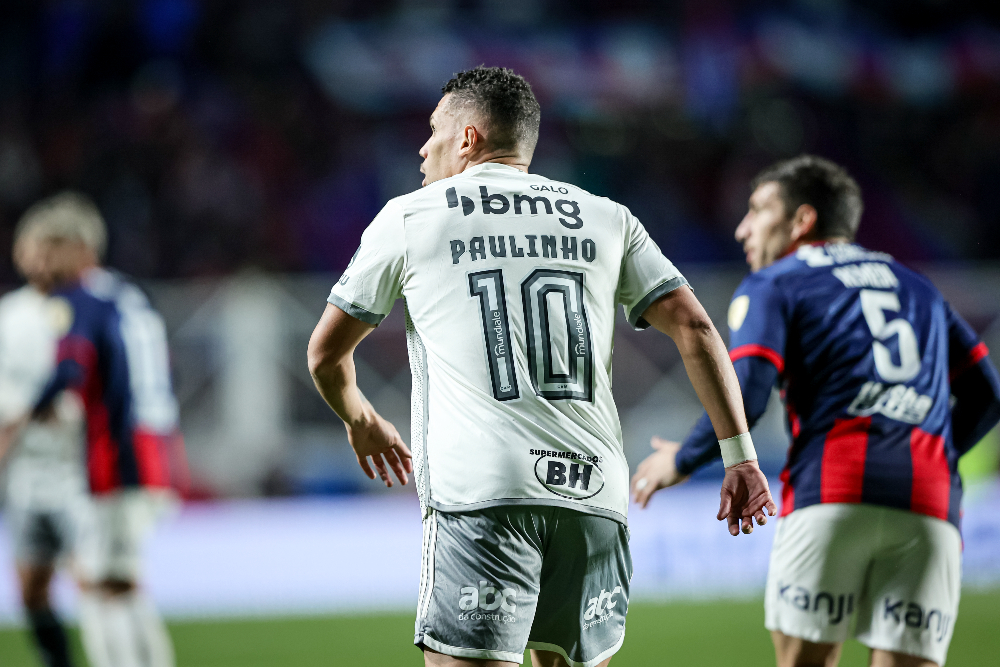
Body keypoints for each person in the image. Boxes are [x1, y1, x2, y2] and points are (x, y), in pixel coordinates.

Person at [307, 65, 776, 667]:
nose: (424, 148)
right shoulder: (607, 217)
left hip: (484, 493)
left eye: (433, 131)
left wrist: (359, 418)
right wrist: (739, 457)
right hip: (594, 496)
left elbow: (325, 353)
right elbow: (696, 327)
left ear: (469, 138)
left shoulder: (412, 215)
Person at [630, 155, 1000, 667]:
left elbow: (749, 389)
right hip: (929, 503)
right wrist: (927, 455)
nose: (742, 229)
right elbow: (988, 395)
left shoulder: (778, 282)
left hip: (833, 493)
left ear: (802, 221)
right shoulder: (918, 288)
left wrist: (683, 461)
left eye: (758, 210)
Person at [1, 192, 184, 667]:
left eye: (49, 250)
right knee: (116, 582)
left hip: (118, 452)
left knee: (105, 587)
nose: (41, 263)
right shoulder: (127, 294)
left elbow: (69, 371)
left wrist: (23, 416)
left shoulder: (81, 299)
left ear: (77, 248)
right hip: (154, 445)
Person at [0, 208, 91, 666]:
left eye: (46, 251)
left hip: (77, 467)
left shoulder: (79, 308)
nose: (38, 261)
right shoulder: (8, 317)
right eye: (30, 250)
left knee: (93, 578)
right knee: (32, 588)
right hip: (25, 470)